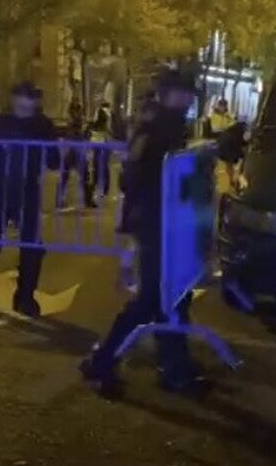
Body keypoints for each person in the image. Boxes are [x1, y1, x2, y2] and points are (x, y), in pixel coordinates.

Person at [80, 69, 207, 397]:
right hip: (155, 222)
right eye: (185, 92)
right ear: (168, 93)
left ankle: (173, 366)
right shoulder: (156, 126)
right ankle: (104, 361)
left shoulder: (166, 122)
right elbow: (135, 174)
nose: (190, 99)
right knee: (155, 298)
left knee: (172, 297)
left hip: (162, 220)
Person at [0, 82, 60, 317]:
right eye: (22, 97)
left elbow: (53, 159)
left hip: (27, 192)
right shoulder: (1, 121)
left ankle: (25, 298)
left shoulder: (42, 125)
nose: (26, 103)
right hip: (1, 191)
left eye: (31, 98)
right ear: (15, 99)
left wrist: (57, 153)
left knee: (32, 248)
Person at [58, 100, 96, 209]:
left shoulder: (81, 122)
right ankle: (60, 200)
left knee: (85, 176)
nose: (76, 113)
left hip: (79, 150)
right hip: (71, 150)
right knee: (65, 176)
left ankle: (88, 200)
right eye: (74, 110)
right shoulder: (70, 122)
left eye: (77, 110)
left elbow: (87, 135)